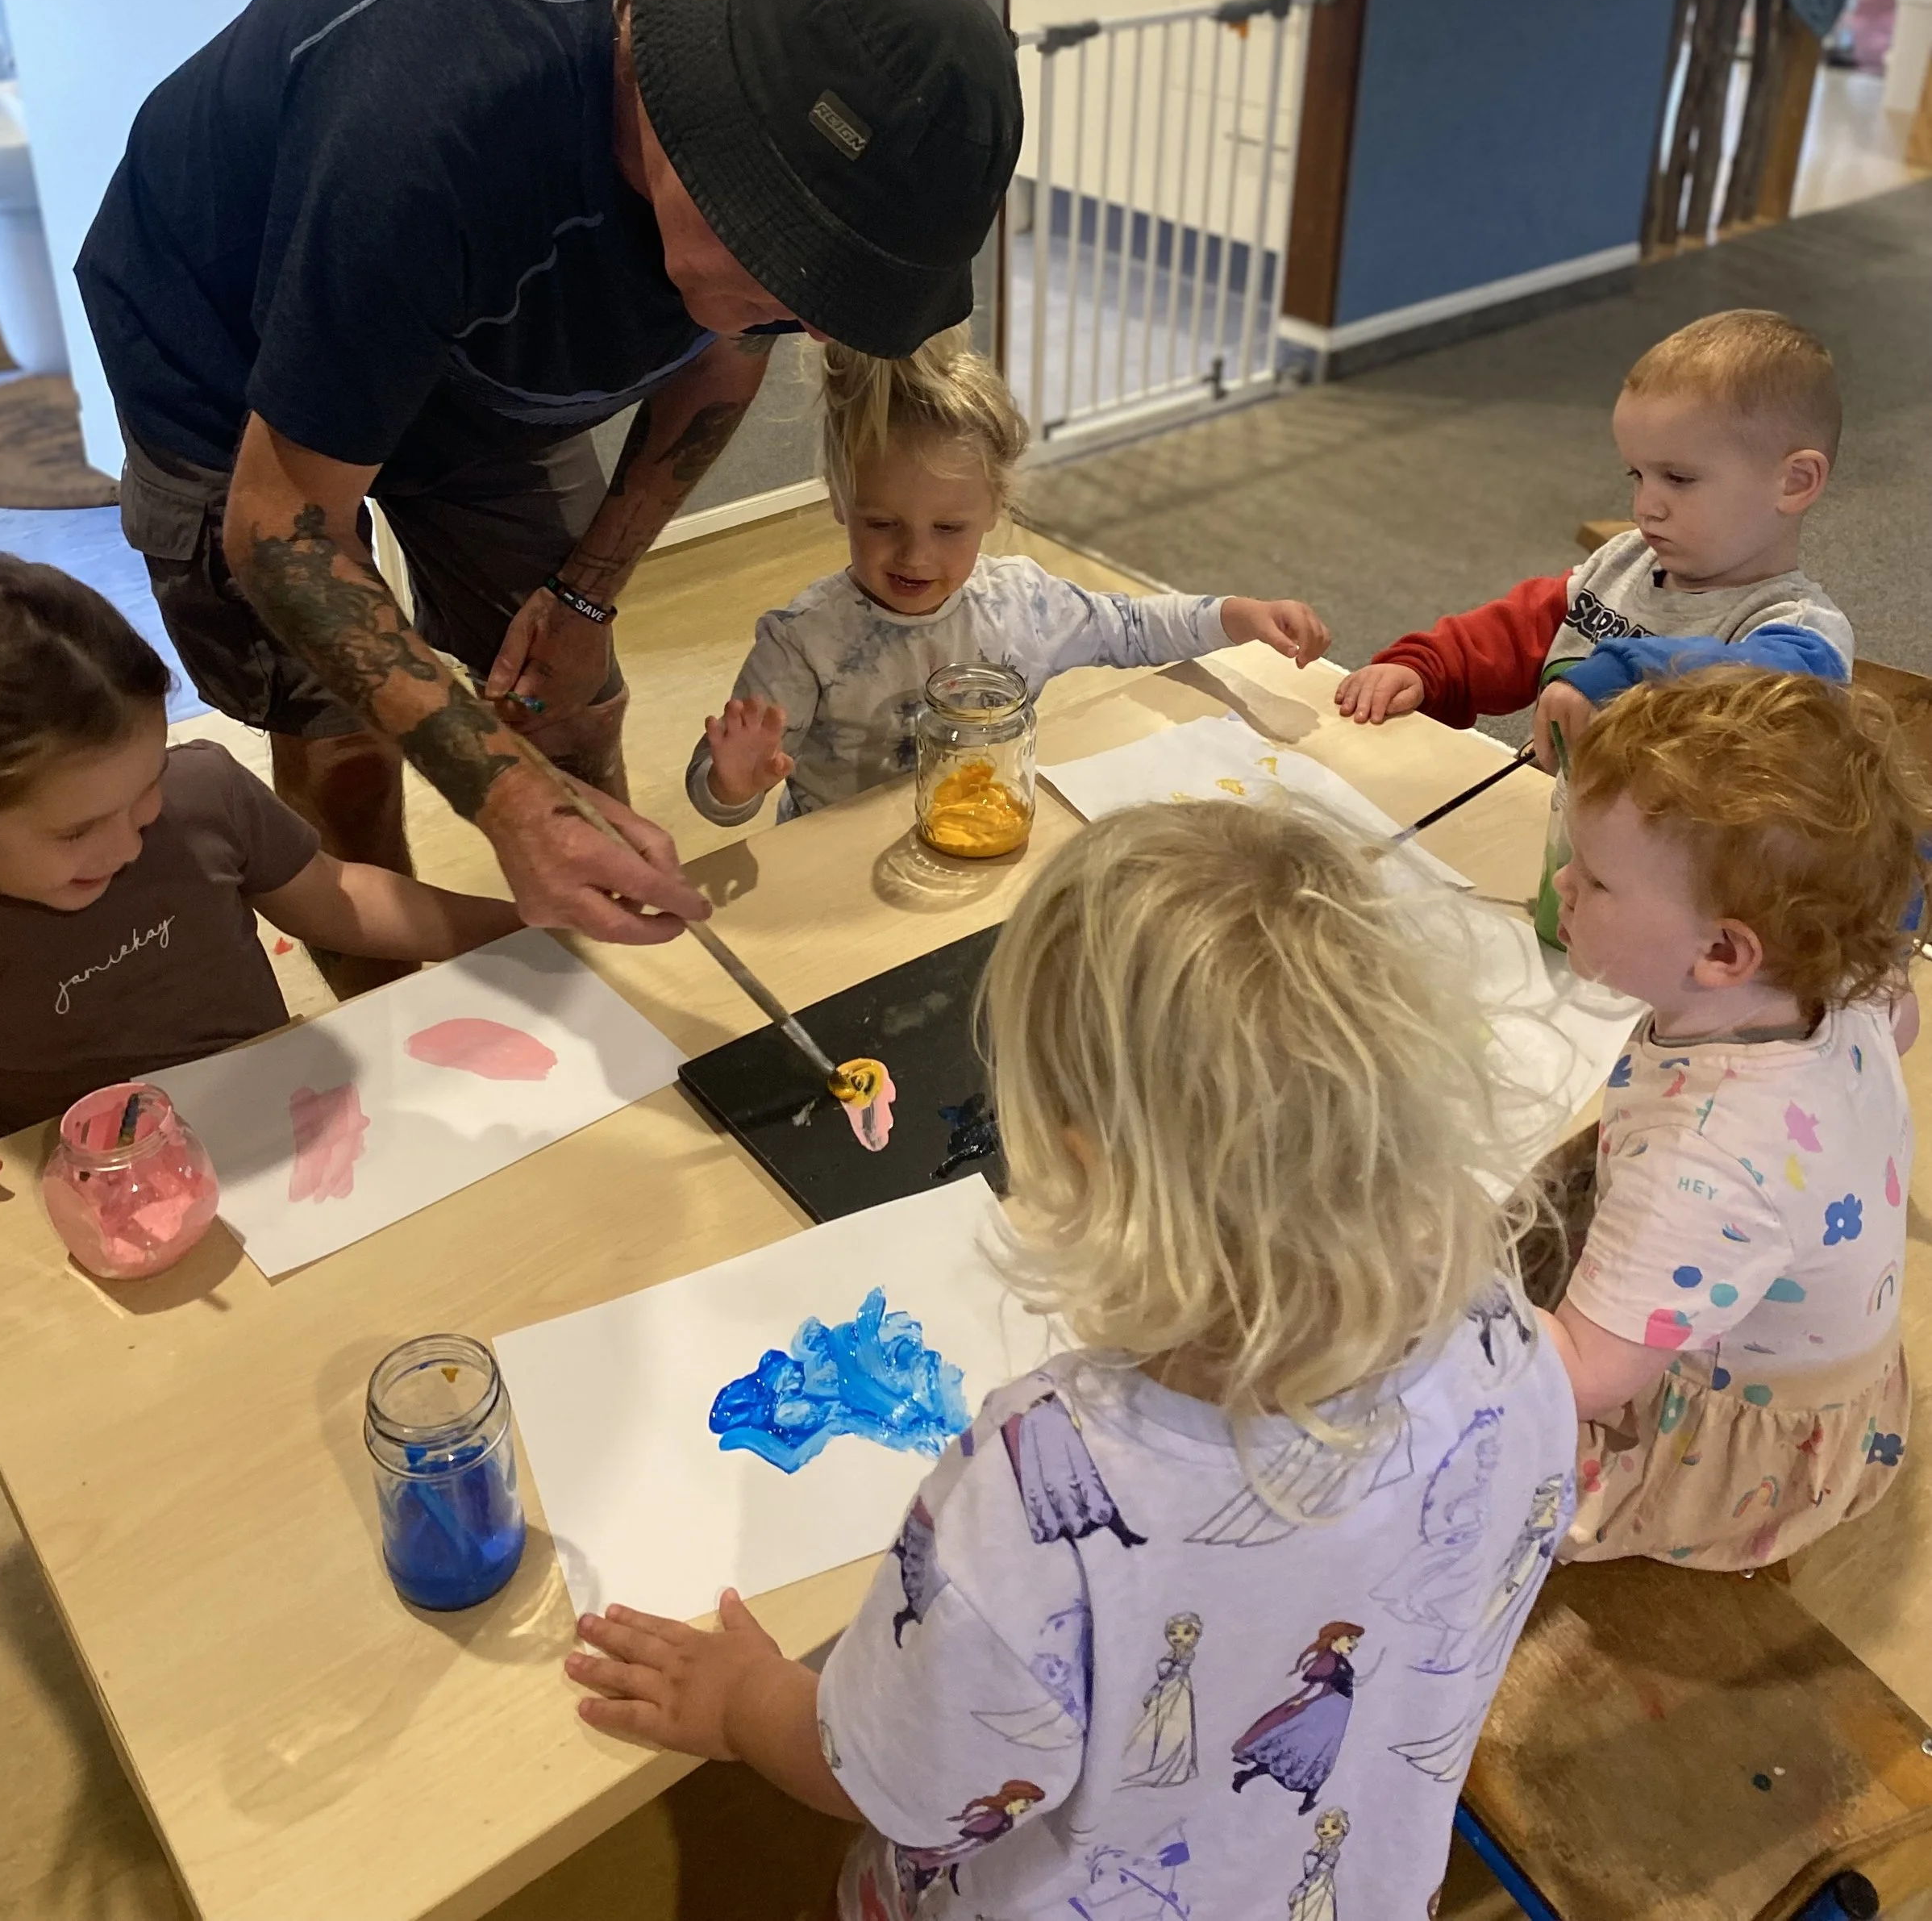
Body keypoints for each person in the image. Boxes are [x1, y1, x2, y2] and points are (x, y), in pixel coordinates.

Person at [563, 797, 1576, 1919]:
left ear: (1089, 1167)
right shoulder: (1507, 1335)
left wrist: (745, 1703)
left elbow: (918, 1786)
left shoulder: (1040, 1486)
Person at [75, 0, 1021, 956]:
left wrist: (586, 593)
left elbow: (723, 357)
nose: (808, 323)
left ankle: (601, 1001)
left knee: (566, 698)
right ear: (695, 137)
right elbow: (279, 526)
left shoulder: (799, 60)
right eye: (791, 277)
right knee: (345, 744)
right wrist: (508, 804)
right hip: (225, 346)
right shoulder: (429, 129)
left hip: (476, 347)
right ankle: (398, 1031)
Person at [0, 556, 520, 1235]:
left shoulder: (201, 794)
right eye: (76, 830)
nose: (126, 845)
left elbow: (340, 897)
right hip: (99, 1201)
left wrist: (517, 928)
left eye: (149, 779)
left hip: (281, 1132)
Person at [1543, 665, 1921, 1568]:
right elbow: (1900, 1018)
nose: (1560, 882)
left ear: (1721, 950)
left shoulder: (1702, 1163)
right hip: (1829, 1373)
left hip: (1731, 1446)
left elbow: (1587, 1377)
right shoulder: (1839, 985)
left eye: (1593, 881)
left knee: (1436, 1469)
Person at [689, 331, 1330, 823]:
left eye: (948, 530)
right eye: (882, 523)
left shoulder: (1024, 604)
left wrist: (1237, 616)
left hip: (980, 829)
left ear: (995, 507)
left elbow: (1131, 627)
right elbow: (714, 788)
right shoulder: (802, 642)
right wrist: (733, 784)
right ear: (839, 498)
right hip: (839, 868)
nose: (915, 557)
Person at [1334, 310, 1851, 760]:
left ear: (1795, 481)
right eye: (1637, 476)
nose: (1646, 505)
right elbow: (1510, 636)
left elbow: (1760, 683)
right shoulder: (1624, 564)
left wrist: (1619, 671)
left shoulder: (1802, 634)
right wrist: (1427, 671)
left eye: (1678, 479)